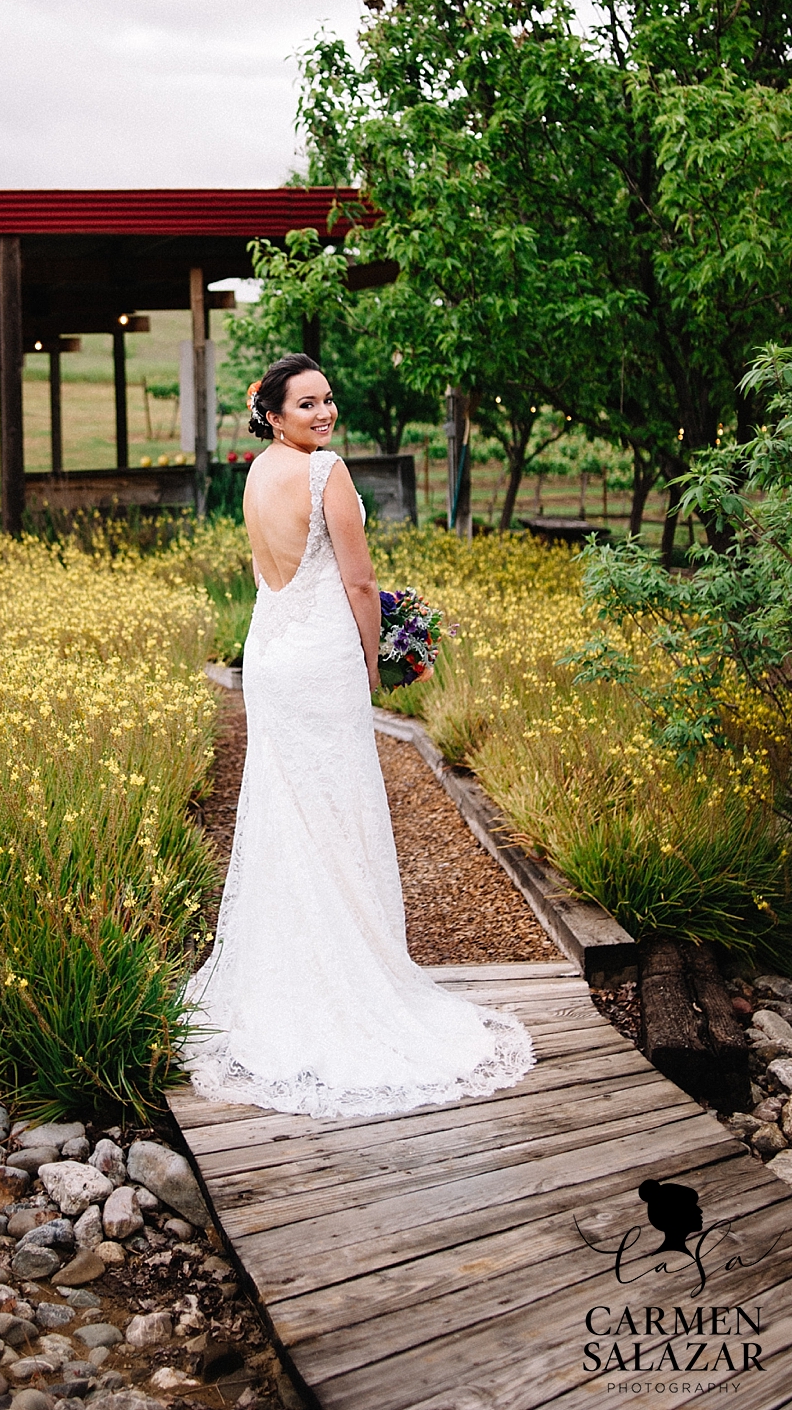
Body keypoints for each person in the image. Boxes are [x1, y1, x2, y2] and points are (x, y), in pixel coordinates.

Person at [183, 353, 534, 1118]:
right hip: (320, 658)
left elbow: (267, 572)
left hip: (272, 652)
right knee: (336, 807)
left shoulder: (254, 473)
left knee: (287, 809)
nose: (324, 413)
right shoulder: (324, 471)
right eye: (307, 403)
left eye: (328, 400)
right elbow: (359, 582)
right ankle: (345, 978)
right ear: (272, 412)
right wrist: (376, 656)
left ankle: (289, 974)